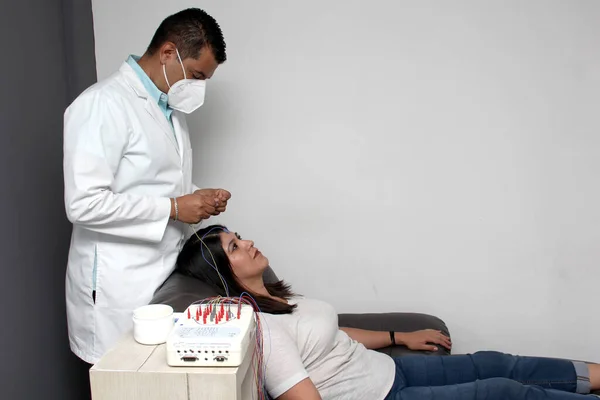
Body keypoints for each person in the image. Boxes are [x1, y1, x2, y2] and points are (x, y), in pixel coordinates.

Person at [174, 224, 600, 400]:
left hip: (389, 370)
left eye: (240, 237)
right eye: (234, 247)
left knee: (497, 363)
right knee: (502, 391)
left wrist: (400, 339)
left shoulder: (276, 298)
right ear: (224, 273)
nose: (247, 243)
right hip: (383, 395)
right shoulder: (262, 328)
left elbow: (333, 337)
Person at [62, 8, 231, 366]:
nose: (199, 87)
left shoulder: (168, 109)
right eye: (197, 75)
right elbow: (83, 203)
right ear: (168, 53)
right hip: (116, 286)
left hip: (160, 277)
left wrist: (197, 196)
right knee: (121, 378)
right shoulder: (101, 105)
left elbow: (153, 180)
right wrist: (173, 207)